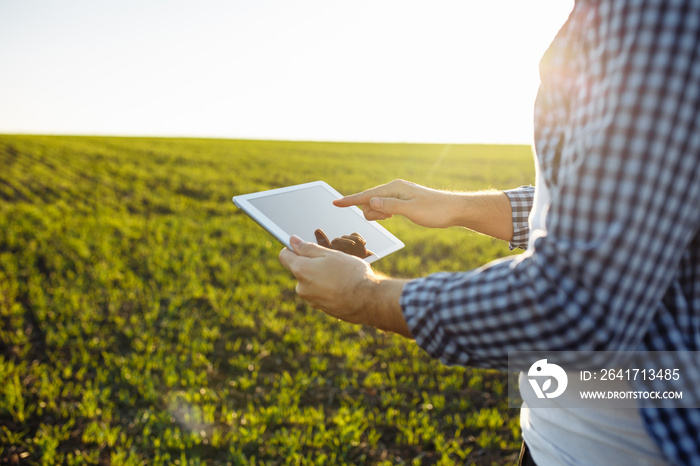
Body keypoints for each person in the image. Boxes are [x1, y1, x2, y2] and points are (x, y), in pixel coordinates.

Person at [279, 1, 700, 464]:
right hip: (565, 426)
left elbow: (573, 302)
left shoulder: (655, 15)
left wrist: (366, 295)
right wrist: (458, 206)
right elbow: (611, 199)